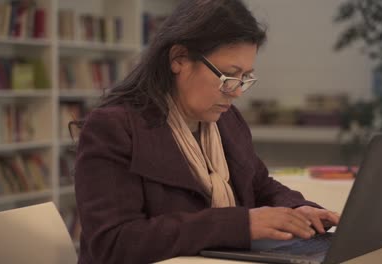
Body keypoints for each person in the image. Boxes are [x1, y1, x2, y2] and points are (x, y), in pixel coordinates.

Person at [74, 0, 340, 263]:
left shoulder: (225, 119)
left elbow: (258, 185)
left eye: (245, 78)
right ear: (179, 59)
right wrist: (239, 225)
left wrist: (296, 209)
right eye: (228, 76)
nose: (236, 92)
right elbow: (113, 243)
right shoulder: (114, 128)